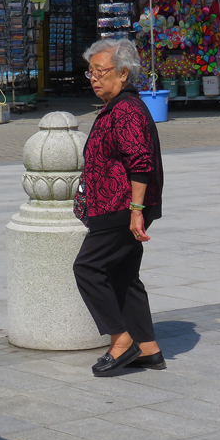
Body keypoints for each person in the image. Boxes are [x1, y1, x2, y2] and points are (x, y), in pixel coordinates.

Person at [74, 38, 164, 377]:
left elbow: (140, 163)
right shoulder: (117, 107)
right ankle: (149, 348)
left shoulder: (125, 109)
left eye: (101, 71)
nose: (95, 78)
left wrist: (137, 210)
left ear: (124, 73)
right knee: (124, 275)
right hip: (117, 206)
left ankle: (121, 338)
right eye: (91, 72)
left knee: (87, 267)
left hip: (121, 207)